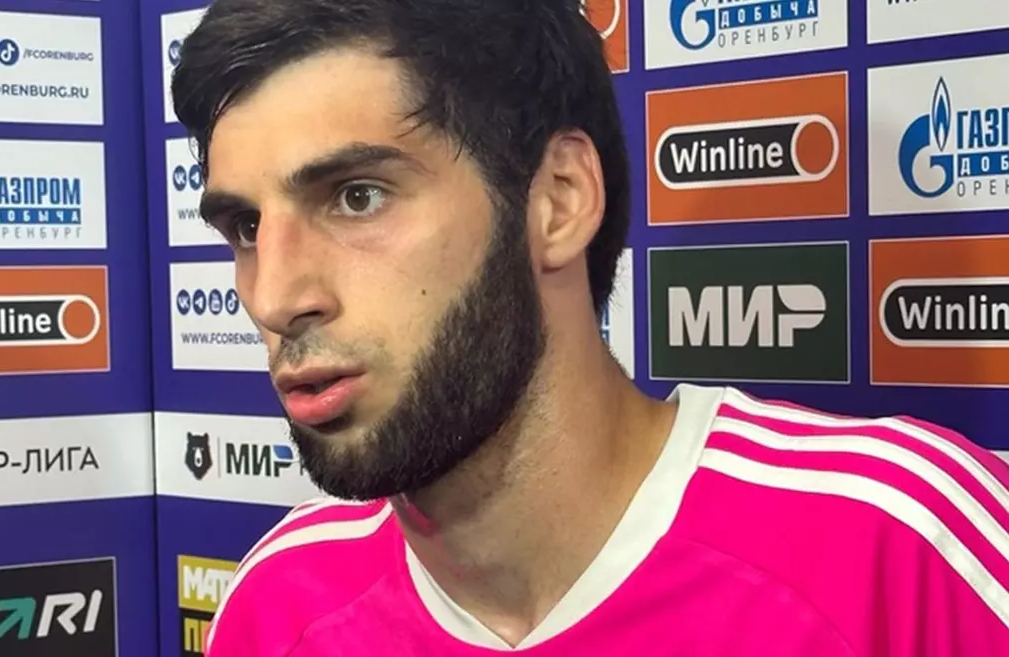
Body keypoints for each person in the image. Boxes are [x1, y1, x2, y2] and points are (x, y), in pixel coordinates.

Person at [170, 1, 1009, 655]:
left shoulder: (904, 549)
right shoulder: (276, 604)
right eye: (245, 228)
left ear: (559, 201)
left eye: (358, 197)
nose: (274, 295)